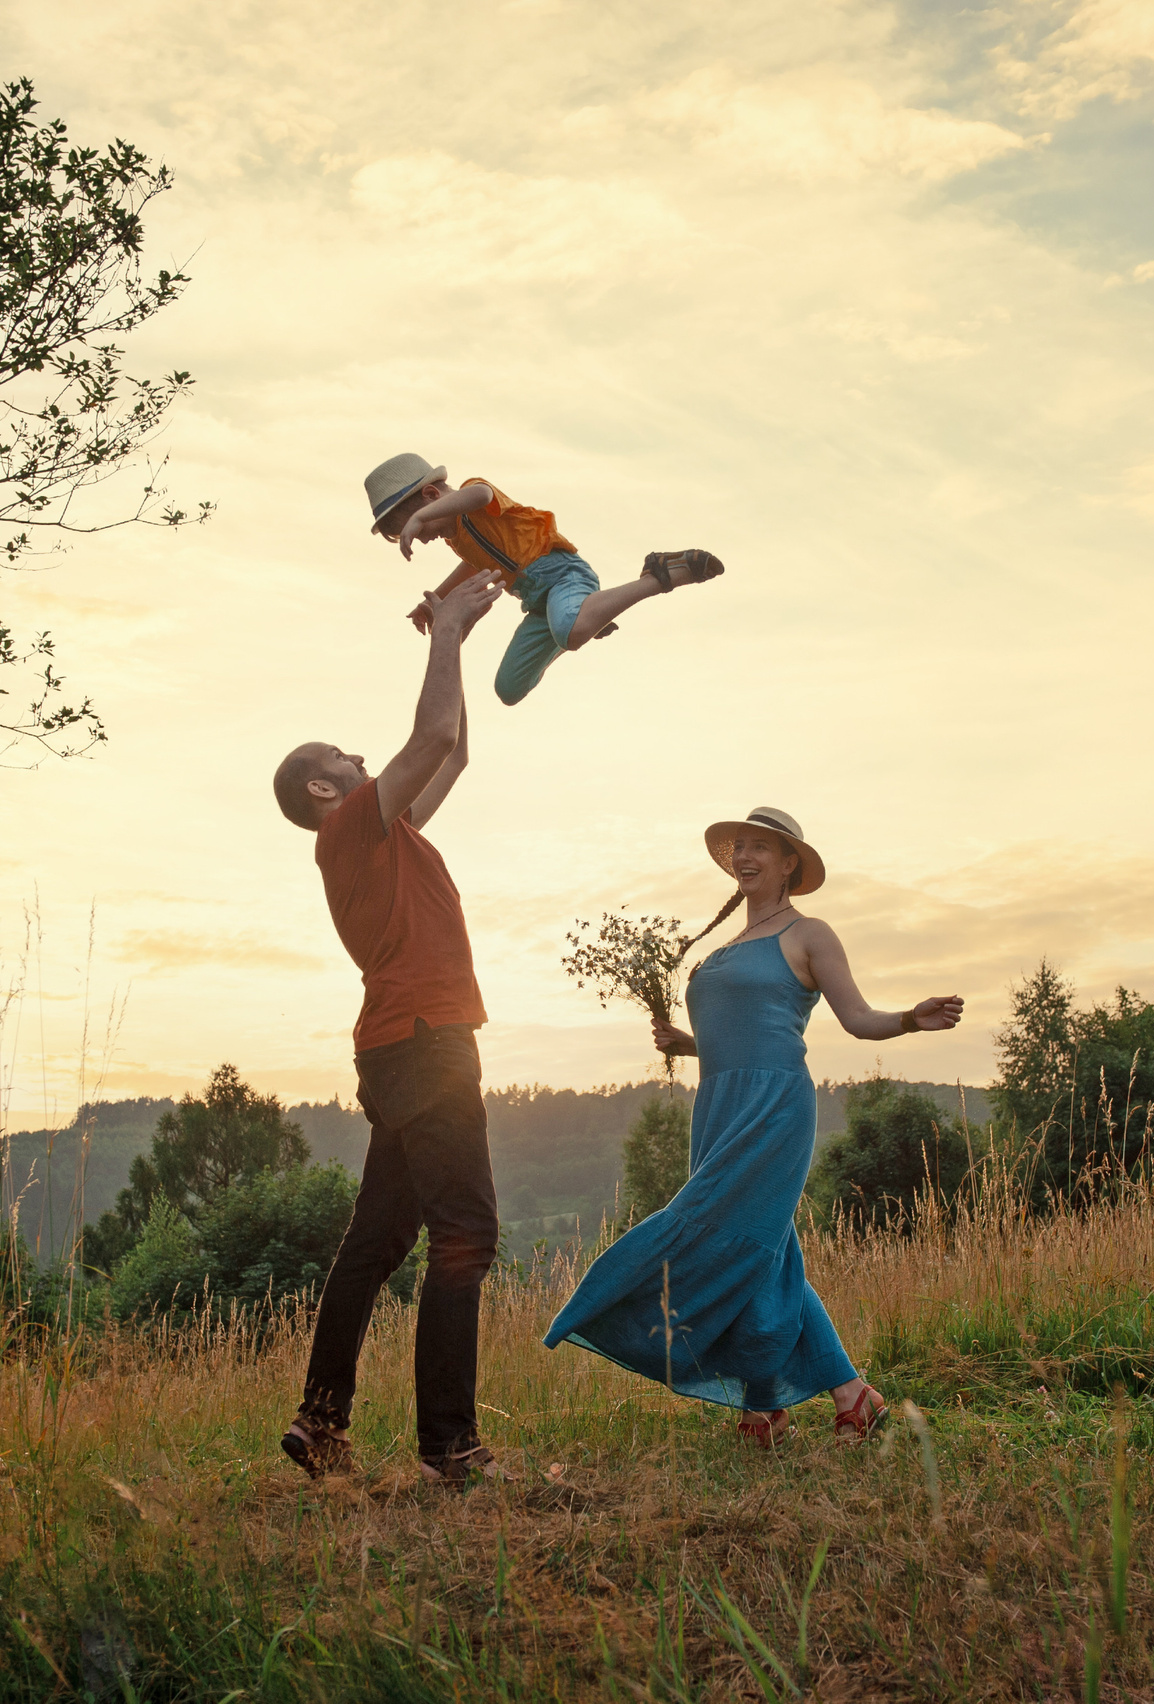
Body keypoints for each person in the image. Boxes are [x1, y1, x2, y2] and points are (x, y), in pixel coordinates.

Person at [542, 807, 966, 1446]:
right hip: (718, 1104)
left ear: (789, 861)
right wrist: (689, 1045)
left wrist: (909, 1018)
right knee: (765, 1253)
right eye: (737, 846)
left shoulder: (810, 933)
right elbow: (736, 1031)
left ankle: (605, 1304)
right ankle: (810, 1400)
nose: (743, 856)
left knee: (715, 1233)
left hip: (775, 1106)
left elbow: (856, 1019)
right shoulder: (725, 946)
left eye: (759, 847)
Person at [269, 572, 510, 1488]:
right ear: (328, 785)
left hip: (400, 1045)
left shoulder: (388, 833)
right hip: (426, 1040)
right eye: (348, 755)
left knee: (376, 1242)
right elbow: (431, 736)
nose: (367, 760)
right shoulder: (348, 835)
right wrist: (442, 631)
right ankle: (448, 1443)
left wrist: (455, 638)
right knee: (466, 1233)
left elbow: (451, 755)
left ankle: (320, 1421)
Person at [361, 452, 725, 707]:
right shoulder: (459, 538)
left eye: (420, 526)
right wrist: (433, 601)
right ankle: (578, 616)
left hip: (562, 573)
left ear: (431, 495)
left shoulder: (475, 495)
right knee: (508, 689)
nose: (423, 537)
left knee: (573, 630)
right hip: (537, 602)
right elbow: (473, 566)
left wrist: (420, 519)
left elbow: (480, 494)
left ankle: (658, 575)